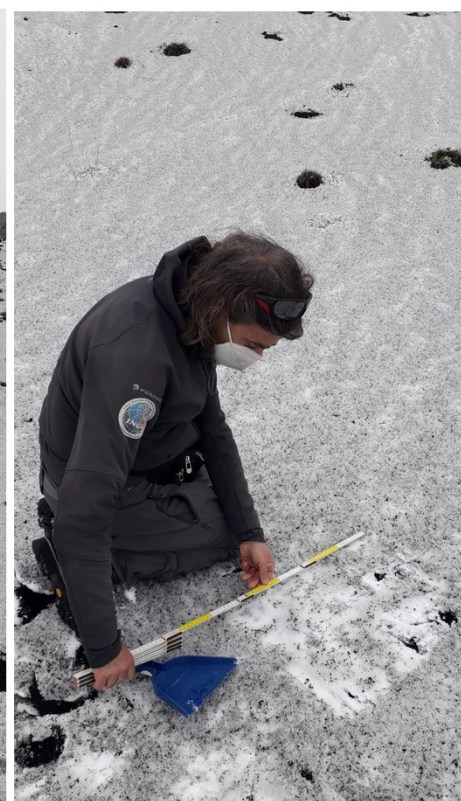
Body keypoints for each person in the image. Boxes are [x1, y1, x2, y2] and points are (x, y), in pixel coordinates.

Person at [32, 231, 313, 692]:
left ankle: (140, 528)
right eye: (256, 344)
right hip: (91, 483)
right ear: (223, 304)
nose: (257, 358)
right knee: (217, 535)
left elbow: (213, 429)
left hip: (150, 457)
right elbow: (89, 501)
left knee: (233, 525)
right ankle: (84, 559)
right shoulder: (135, 356)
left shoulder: (193, 314)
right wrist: (103, 648)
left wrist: (251, 531)